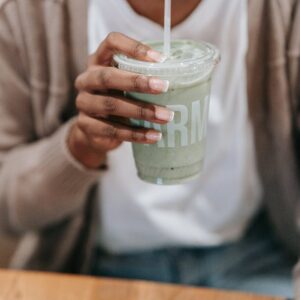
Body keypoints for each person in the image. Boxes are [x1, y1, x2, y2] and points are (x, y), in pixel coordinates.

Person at [0, 0, 299, 298]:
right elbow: (8, 207)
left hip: (255, 258)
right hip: (97, 264)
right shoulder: (29, 14)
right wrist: (79, 147)